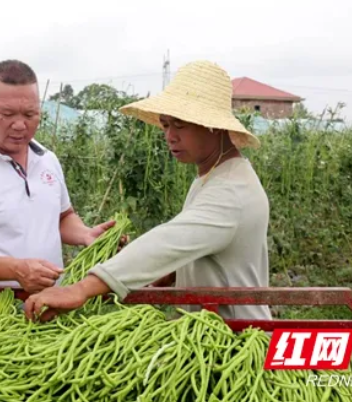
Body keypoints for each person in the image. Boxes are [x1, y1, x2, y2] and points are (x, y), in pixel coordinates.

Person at [24, 60, 273, 323]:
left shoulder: (230, 191)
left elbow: (169, 242)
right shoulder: (213, 177)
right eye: (166, 125)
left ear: (213, 126)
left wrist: (81, 289)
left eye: (180, 125)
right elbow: (200, 245)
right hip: (212, 330)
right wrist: (169, 275)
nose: (170, 136)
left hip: (238, 336)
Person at [0, 59, 118, 315]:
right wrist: (17, 270)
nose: (20, 125)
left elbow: (63, 217)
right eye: (7, 114)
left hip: (52, 312)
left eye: (30, 115)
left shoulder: (47, 160)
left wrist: (85, 235)